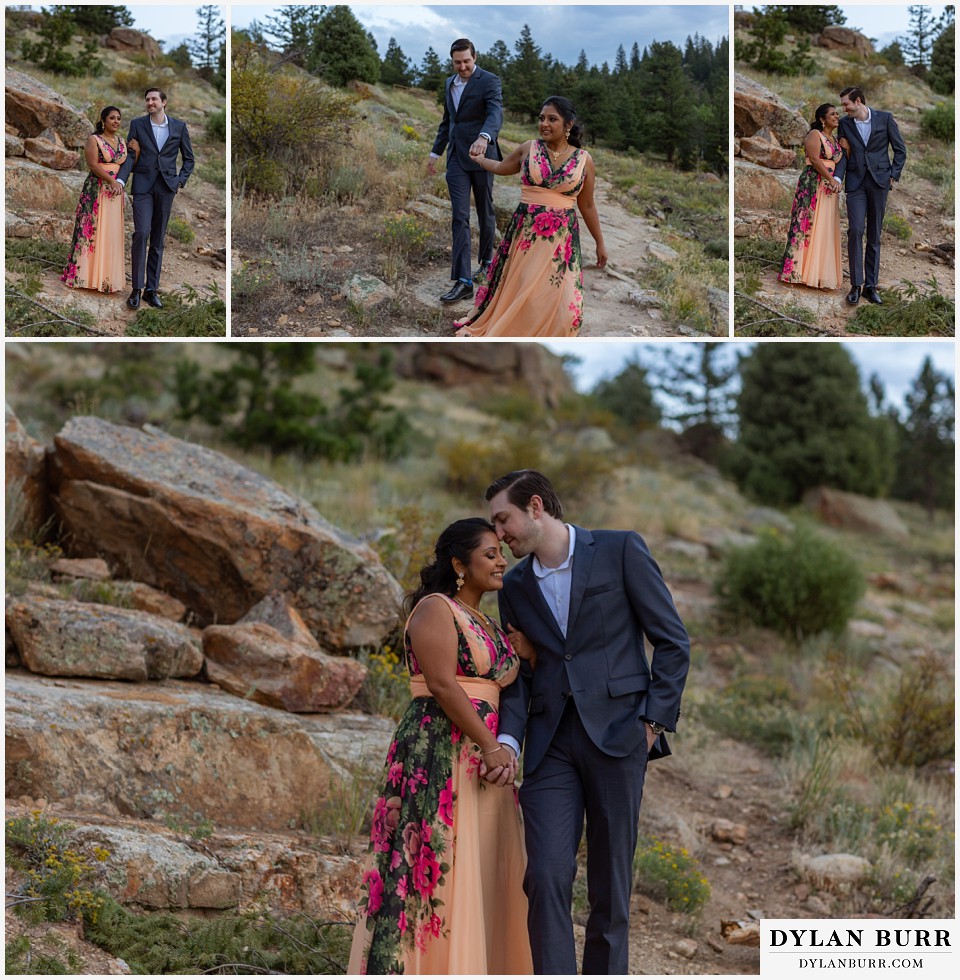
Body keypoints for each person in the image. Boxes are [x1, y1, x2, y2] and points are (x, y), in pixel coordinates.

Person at [482, 470, 689, 975]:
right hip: (551, 742)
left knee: (610, 884)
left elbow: (672, 641)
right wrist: (508, 739)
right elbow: (523, 674)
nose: (499, 533)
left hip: (621, 735)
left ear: (535, 507)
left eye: (503, 519)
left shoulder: (620, 550)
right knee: (546, 874)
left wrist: (652, 724)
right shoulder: (514, 585)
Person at [348, 518, 533, 975]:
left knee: (485, 863)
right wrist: (492, 746)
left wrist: (528, 652)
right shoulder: (436, 608)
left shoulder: (487, 621)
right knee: (438, 859)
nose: (500, 560)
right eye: (489, 554)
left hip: (486, 761)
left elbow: (505, 682)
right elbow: (442, 685)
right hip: (441, 750)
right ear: (458, 564)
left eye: (500, 552)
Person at [454, 96, 607, 337]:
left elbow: (587, 205)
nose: (544, 124)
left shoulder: (584, 160)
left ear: (568, 124)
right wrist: (480, 160)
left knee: (565, 307)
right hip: (526, 234)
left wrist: (600, 242)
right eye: (541, 118)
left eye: (552, 119)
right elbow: (503, 167)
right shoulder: (529, 148)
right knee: (524, 290)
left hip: (560, 241)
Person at [428, 39, 503, 306]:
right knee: (460, 216)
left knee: (485, 211)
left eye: (466, 61)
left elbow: (495, 113)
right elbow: (448, 121)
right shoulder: (450, 83)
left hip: (483, 157)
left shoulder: (490, 81)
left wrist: (485, 137)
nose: (462, 67)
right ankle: (463, 280)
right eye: (457, 62)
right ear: (452, 61)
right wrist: (435, 152)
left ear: (475, 57)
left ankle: (486, 262)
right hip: (457, 159)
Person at [115, 87, 194, 310]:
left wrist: (180, 180)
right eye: (147, 99)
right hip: (143, 185)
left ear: (164, 102)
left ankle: (152, 289)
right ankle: (136, 289)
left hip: (166, 187)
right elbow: (131, 156)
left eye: (154, 99)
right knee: (141, 232)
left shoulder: (179, 126)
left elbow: (189, 159)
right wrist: (121, 180)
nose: (149, 102)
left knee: (158, 239)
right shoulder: (137, 125)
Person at [836, 85, 906, 306]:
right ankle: (856, 285)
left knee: (874, 234)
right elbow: (844, 155)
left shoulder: (885, 118)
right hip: (855, 182)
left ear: (858, 101)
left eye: (846, 104)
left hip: (879, 182)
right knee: (855, 230)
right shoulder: (845, 124)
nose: (844, 109)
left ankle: (870, 286)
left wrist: (893, 175)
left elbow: (900, 149)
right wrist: (838, 178)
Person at [61, 106, 132, 294]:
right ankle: (85, 276)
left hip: (115, 194)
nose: (116, 121)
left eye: (118, 118)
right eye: (112, 118)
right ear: (103, 120)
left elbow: (127, 165)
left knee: (110, 231)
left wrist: (137, 152)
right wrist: (111, 180)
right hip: (97, 189)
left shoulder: (122, 142)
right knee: (92, 230)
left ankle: (106, 279)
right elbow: (92, 164)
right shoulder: (94, 140)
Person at [777, 103, 845, 290]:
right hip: (814, 183)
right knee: (807, 224)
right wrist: (831, 179)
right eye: (832, 114)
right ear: (822, 119)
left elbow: (841, 159)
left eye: (837, 113)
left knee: (824, 226)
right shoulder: (815, 135)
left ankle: (819, 274)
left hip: (829, 189)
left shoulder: (835, 140)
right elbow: (815, 159)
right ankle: (797, 272)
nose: (836, 116)